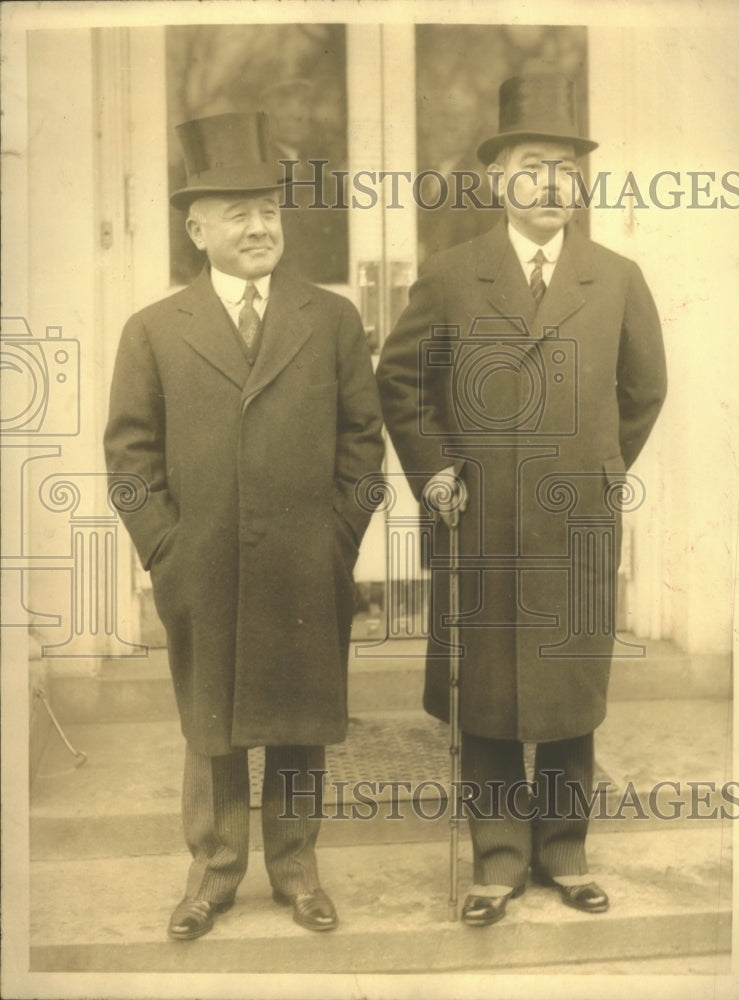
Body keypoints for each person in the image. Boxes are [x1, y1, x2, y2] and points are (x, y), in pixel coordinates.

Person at [376, 74, 666, 926]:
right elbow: (402, 381)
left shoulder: (614, 278)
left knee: (573, 686)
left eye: (567, 168)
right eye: (533, 165)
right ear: (499, 178)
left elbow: (644, 391)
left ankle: (565, 848)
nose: (552, 183)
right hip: (483, 523)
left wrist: (601, 473)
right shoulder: (454, 275)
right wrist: (435, 471)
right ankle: (498, 859)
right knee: (489, 690)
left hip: (575, 520)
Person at [104, 111, 384, 940]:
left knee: (300, 718)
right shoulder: (155, 328)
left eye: (269, 209)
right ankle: (214, 875)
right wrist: (167, 551)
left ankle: (298, 870)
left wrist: (337, 541)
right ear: (197, 229)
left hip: (307, 560)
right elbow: (128, 457)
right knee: (212, 722)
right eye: (237, 213)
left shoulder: (330, 319)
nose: (259, 226)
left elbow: (363, 446)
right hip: (205, 561)